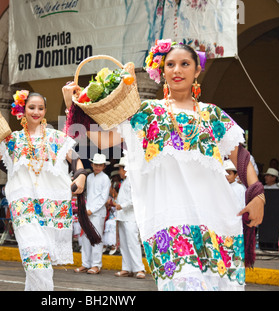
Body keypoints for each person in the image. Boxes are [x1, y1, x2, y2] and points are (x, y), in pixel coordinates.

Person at [62, 39, 264, 291]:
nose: (177, 70)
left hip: (214, 220)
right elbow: (106, 140)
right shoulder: (146, 113)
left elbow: (240, 156)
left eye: (184, 64)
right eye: (171, 64)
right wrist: (74, 106)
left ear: (196, 71)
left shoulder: (213, 115)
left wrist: (257, 194)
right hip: (168, 219)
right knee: (183, 285)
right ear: (162, 70)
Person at [0, 91, 92, 291]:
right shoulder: (13, 139)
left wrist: (81, 174)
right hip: (23, 202)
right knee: (34, 252)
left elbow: (74, 159)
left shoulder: (56, 136)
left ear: (45, 111)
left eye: (40, 108)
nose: (36, 111)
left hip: (52, 204)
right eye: (31, 107)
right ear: (23, 110)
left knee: (42, 256)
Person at [74, 153, 111, 275]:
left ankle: (96, 264)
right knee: (85, 238)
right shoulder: (89, 177)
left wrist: (91, 210)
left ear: (104, 166)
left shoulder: (106, 179)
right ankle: (85, 263)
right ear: (92, 164)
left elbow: (103, 198)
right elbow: (86, 195)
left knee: (96, 238)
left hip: (97, 213)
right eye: (96, 164)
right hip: (87, 211)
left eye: (100, 165)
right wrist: (85, 209)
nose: (97, 167)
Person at [113, 157, 146, 279]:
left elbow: (135, 199)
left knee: (133, 243)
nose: (120, 171)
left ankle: (139, 268)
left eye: (121, 169)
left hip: (130, 217)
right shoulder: (125, 181)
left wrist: (122, 206)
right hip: (122, 216)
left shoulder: (133, 181)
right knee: (124, 244)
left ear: (126, 169)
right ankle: (126, 268)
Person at [103, 180, 119, 255]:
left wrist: (113, 204)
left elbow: (119, 207)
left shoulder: (119, 198)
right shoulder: (111, 198)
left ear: (114, 190)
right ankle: (105, 244)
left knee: (110, 223)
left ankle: (113, 245)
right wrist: (108, 205)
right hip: (111, 217)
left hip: (118, 217)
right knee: (106, 222)